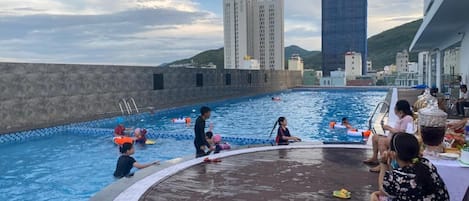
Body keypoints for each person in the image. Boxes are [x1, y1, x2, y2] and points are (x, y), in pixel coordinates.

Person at [370, 133, 449, 201]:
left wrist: (384, 164)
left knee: (375, 197)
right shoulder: (426, 164)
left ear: (393, 154)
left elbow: (383, 190)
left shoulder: (397, 176)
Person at [364, 100, 414, 172]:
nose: (394, 109)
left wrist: (389, 128)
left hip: (398, 141)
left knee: (382, 141)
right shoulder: (401, 118)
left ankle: (382, 165)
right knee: (375, 137)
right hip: (393, 138)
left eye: (395, 108)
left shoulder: (407, 118)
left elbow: (401, 133)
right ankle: (374, 158)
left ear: (401, 111)